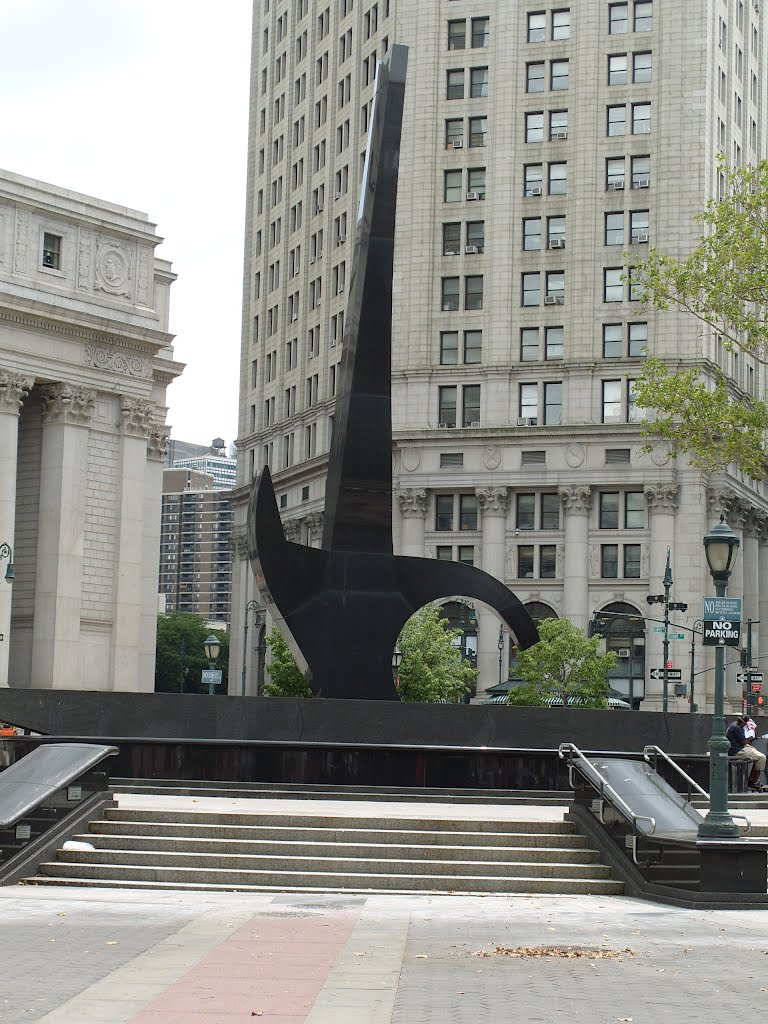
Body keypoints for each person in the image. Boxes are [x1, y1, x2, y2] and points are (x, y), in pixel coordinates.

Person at [726, 715, 768, 792]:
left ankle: (752, 779)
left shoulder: (734, 725)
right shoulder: (737, 728)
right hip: (737, 751)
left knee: (755, 752)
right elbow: (744, 741)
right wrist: (750, 738)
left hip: (737, 748)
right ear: (743, 722)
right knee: (762, 757)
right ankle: (753, 781)